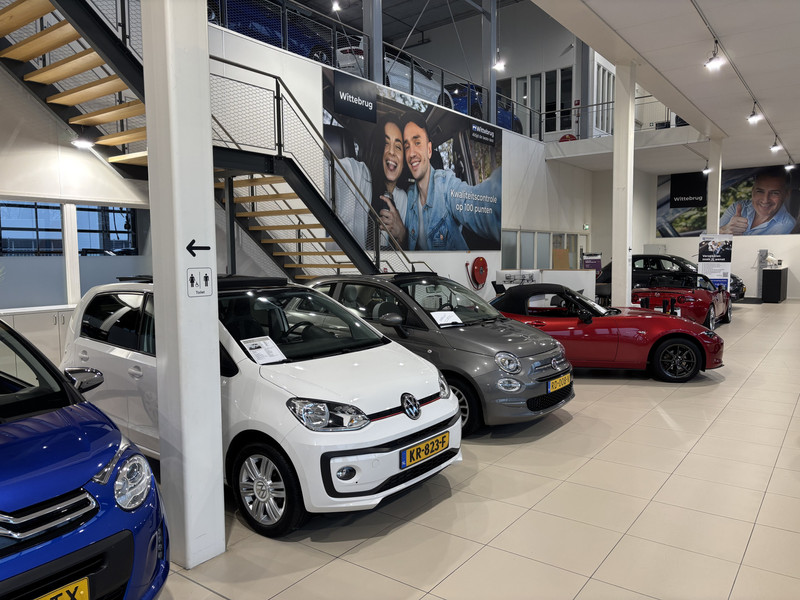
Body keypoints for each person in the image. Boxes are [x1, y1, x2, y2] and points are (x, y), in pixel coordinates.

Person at [381, 114, 501, 250]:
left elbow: (481, 206)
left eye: (417, 143)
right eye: (407, 146)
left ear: (429, 150)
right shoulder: (409, 196)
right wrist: (402, 234)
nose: (411, 153)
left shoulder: (446, 185)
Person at [719, 166, 796, 235]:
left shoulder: (787, 226)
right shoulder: (738, 207)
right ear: (752, 190)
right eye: (760, 191)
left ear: (787, 194)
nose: (765, 200)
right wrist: (724, 230)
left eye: (774, 193)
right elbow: (713, 239)